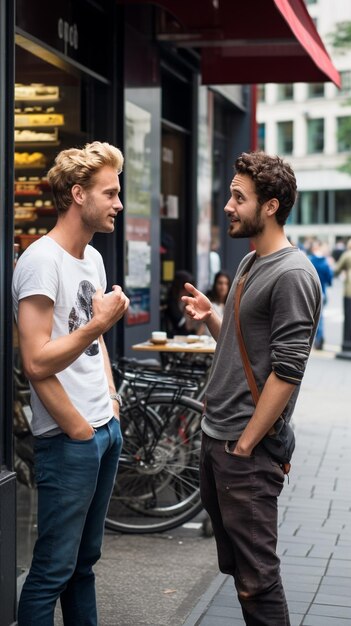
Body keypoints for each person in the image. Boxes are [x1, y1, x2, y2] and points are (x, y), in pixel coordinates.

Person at [182, 151, 321, 626]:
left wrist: (244, 446)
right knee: (241, 570)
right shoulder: (250, 264)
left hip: (244, 452)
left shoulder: (292, 274)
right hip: (217, 438)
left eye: (239, 197)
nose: (227, 205)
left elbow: (287, 371)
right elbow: (246, 351)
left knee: (258, 580)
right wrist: (212, 319)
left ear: (270, 206)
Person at [12, 141, 129, 625]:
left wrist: (112, 401)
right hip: (69, 438)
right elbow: (36, 362)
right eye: (110, 193)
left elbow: (92, 346)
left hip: (103, 428)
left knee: (84, 565)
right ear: (78, 194)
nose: (118, 203)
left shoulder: (93, 259)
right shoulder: (41, 261)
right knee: (52, 570)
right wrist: (80, 430)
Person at [308, 240, 333, 350]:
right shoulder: (325, 263)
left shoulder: (309, 261)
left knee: (308, 316)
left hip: (310, 292)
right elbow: (330, 280)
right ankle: (320, 338)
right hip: (322, 292)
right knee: (320, 317)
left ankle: (311, 339)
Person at [163, 270, 204, 337]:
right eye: (184, 288)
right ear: (178, 287)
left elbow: (200, 325)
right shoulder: (171, 303)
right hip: (175, 338)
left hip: (191, 339)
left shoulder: (191, 301)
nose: (187, 292)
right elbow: (185, 326)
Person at [333, 237, 351, 353]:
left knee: (348, 318)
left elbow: (337, 269)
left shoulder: (347, 255)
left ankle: (347, 344)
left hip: (348, 291)